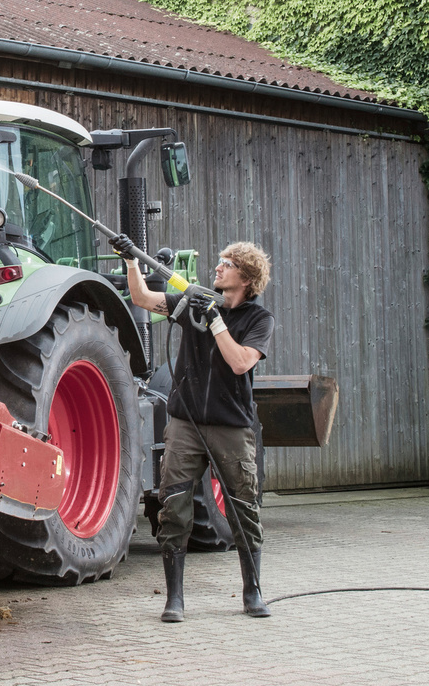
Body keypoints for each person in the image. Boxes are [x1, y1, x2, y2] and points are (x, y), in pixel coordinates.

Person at [114, 237, 276, 622]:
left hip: (231, 426)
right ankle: (175, 599)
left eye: (227, 264)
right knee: (174, 508)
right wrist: (131, 262)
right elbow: (141, 298)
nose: (217, 267)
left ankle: (252, 593)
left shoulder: (258, 320)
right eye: (219, 261)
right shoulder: (194, 302)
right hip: (185, 423)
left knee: (243, 508)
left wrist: (216, 320)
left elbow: (239, 363)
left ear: (246, 278)